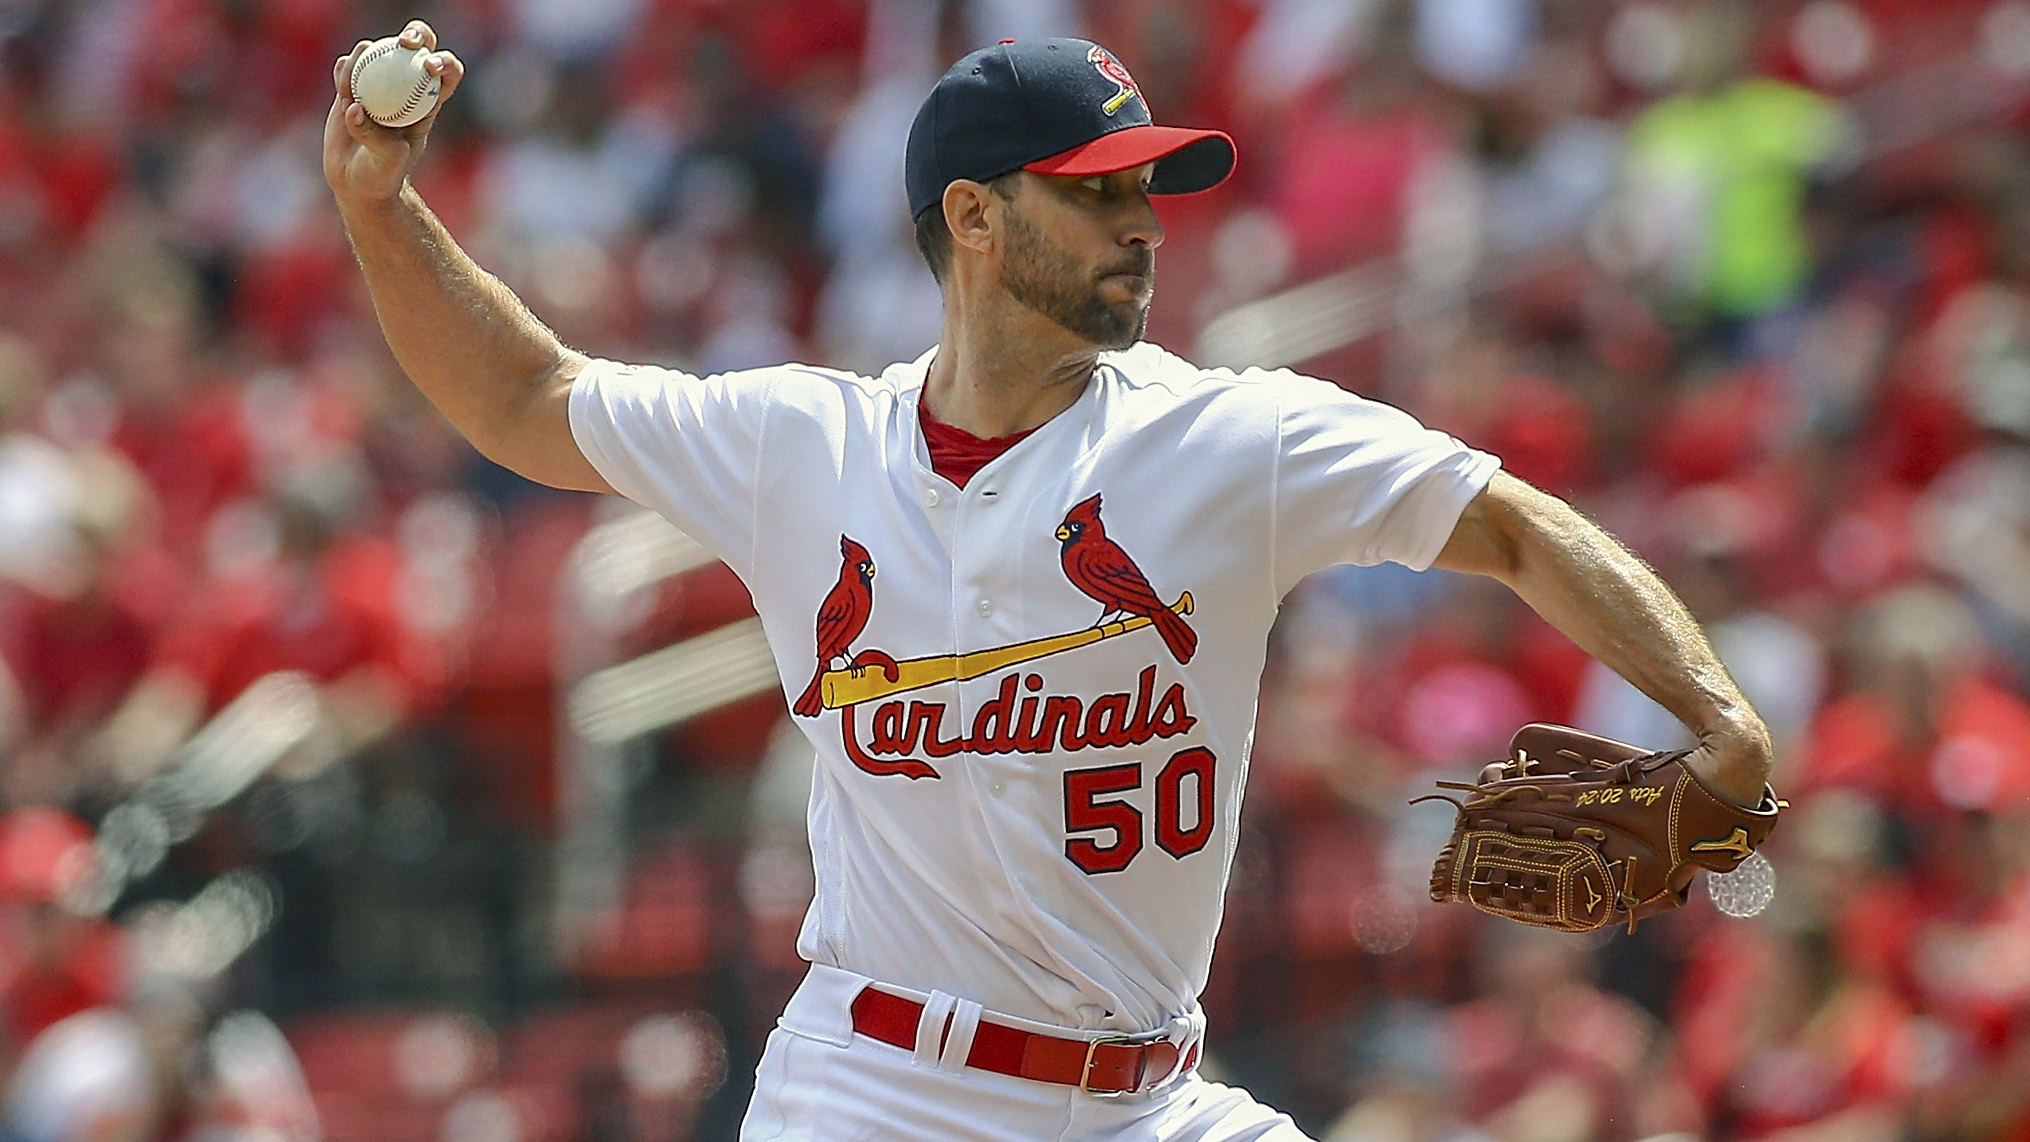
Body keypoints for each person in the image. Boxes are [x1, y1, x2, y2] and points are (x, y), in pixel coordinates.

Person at [324, 23, 1774, 1141]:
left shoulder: (1228, 439)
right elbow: (529, 400)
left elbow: (1510, 521)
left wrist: (1721, 722)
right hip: (879, 1086)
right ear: (971, 217)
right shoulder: (800, 445)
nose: (1142, 222)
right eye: (1094, 195)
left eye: (1146, 188)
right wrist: (383, 212)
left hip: (1151, 1094)